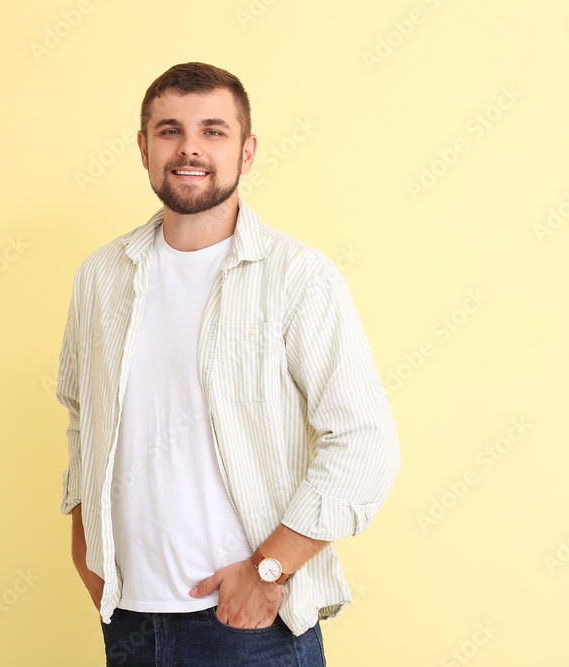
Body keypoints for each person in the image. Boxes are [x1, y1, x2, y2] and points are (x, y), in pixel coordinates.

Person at [56, 61, 401, 666]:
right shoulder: (101, 277)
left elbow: (364, 442)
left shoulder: (299, 278)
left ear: (247, 151)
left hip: (249, 626)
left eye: (213, 131)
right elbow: (84, 418)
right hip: (130, 618)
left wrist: (269, 570)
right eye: (170, 130)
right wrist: (84, 544)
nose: (190, 148)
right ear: (143, 148)